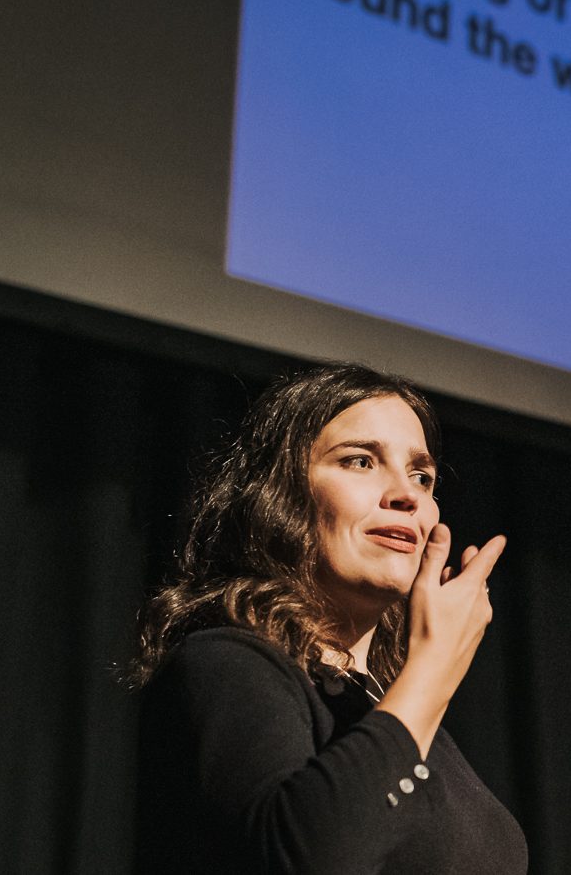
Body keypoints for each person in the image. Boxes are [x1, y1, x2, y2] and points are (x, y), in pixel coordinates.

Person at [127, 363, 525, 873]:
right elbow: (309, 856)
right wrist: (435, 665)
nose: (407, 494)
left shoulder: (389, 706)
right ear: (280, 495)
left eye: (421, 475)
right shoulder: (225, 663)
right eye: (360, 462)